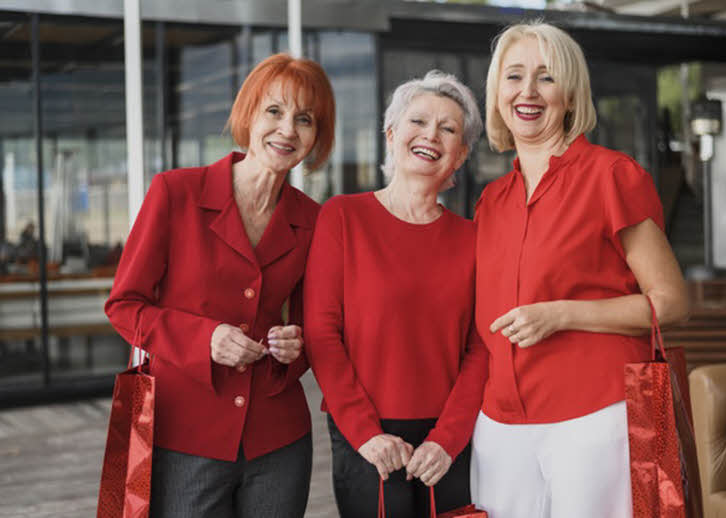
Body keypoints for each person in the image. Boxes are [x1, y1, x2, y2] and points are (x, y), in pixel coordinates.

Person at [470, 22, 690, 518]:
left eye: (546, 78)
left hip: (597, 415)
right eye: (514, 76)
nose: (527, 92)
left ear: (570, 96)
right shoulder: (492, 201)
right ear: (497, 92)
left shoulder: (612, 175)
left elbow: (673, 301)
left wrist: (562, 314)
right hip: (500, 422)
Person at [104, 53, 335, 518]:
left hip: (278, 440)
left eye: (304, 119)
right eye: (275, 111)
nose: (287, 130)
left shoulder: (314, 221)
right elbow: (124, 306)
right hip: (184, 435)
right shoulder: (175, 193)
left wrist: (296, 346)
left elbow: (316, 328)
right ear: (249, 114)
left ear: (316, 136)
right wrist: (203, 338)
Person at [304, 70, 489, 517]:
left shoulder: (474, 238)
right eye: (418, 122)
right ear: (391, 133)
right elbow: (321, 332)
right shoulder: (343, 217)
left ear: (460, 154)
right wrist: (364, 432)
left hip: (448, 443)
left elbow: (481, 347)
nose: (431, 135)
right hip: (365, 437)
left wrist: (448, 439)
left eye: (448, 129)